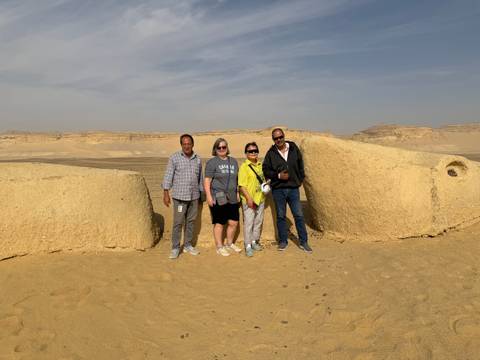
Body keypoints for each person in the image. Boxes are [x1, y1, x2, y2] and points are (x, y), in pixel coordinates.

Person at [262, 128, 313, 253]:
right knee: (280, 216)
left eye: (280, 137)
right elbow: (266, 170)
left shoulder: (294, 148)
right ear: (273, 140)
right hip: (278, 190)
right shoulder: (271, 153)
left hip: (293, 189)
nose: (278, 140)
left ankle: (303, 241)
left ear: (284, 136)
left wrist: (299, 179)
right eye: (276, 138)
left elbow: (301, 164)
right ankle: (283, 241)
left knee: (299, 215)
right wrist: (278, 176)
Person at [162, 134, 203, 259]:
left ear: (192, 144)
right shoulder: (174, 158)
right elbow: (168, 175)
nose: (187, 146)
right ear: (181, 145)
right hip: (179, 197)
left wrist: (201, 194)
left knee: (191, 222)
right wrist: (166, 193)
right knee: (178, 223)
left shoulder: (198, 159)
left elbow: (200, 178)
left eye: (189, 143)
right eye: (184, 144)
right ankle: (175, 247)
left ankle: (188, 245)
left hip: (194, 196)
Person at [204, 138, 242, 256]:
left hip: (232, 197)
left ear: (227, 148)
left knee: (233, 222)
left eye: (223, 147)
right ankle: (219, 246)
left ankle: (229, 243)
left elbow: (236, 179)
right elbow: (207, 181)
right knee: (220, 223)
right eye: (219, 147)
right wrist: (209, 196)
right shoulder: (212, 162)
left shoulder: (234, 161)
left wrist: (237, 193)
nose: (221, 149)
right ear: (215, 149)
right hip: (218, 196)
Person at [238, 142, 267, 257]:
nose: (253, 153)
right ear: (246, 153)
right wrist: (249, 198)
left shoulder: (260, 165)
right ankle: (248, 245)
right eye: (250, 151)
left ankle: (255, 241)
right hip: (249, 200)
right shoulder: (244, 167)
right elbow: (242, 186)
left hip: (260, 198)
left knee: (258, 222)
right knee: (249, 223)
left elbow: (262, 180)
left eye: (255, 150)